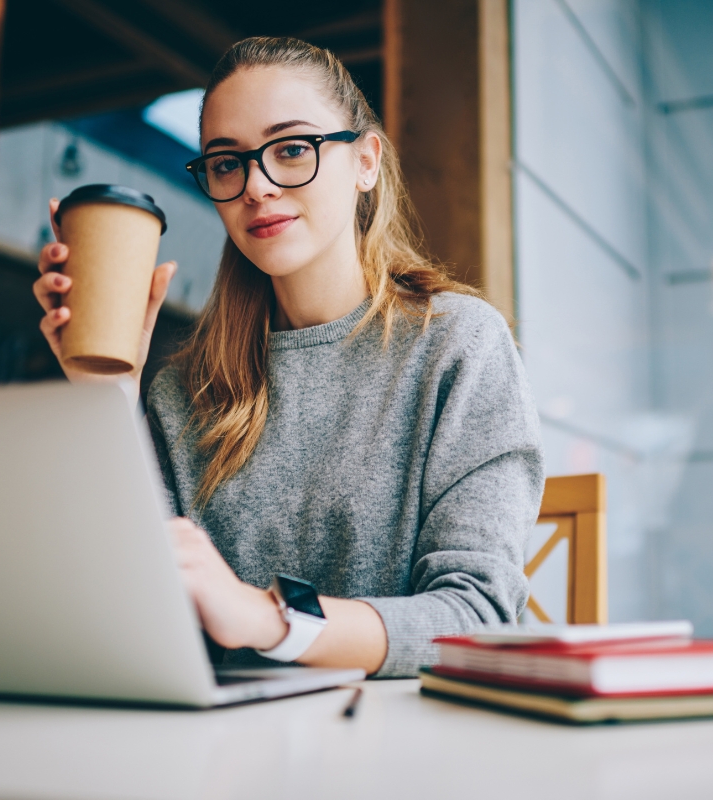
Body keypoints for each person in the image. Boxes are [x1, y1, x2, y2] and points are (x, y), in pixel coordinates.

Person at [32, 37, 543, 678]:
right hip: (221, 756)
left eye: (292, 149)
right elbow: (143, 617)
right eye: (226, 163)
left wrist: (269, 617)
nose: (256, 186)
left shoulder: (458, 346)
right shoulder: (180, 390)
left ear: (366, 162)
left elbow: (477, 619)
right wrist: (105, 391)